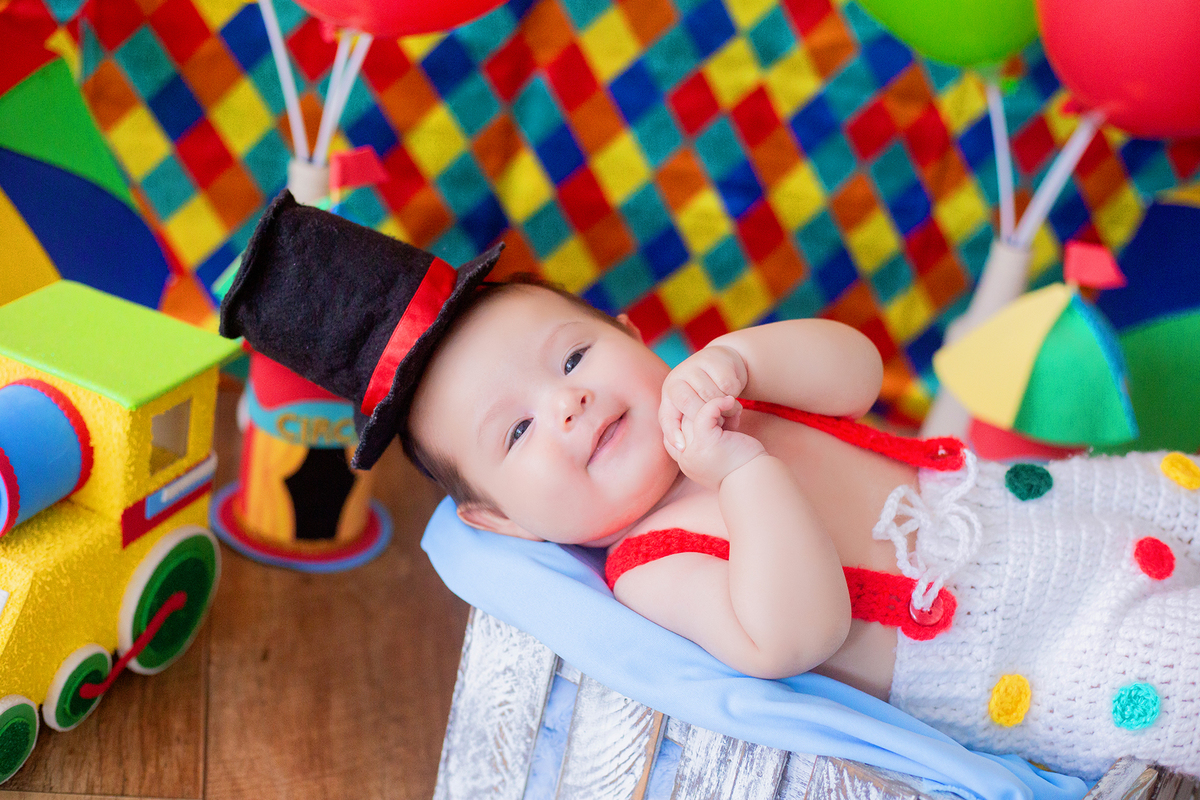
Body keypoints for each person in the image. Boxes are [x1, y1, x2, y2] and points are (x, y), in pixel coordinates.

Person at [222, 189, 1200, 781]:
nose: (567, 404)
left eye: (573, 357)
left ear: (631, 335)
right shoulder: (654, 560)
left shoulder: (725, 389)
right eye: (516, 431)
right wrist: (742, 472)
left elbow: (858, 373)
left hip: (1039, 506)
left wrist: (742, 359)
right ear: (503, 520)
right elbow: (794, 633)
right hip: (1027, 656)